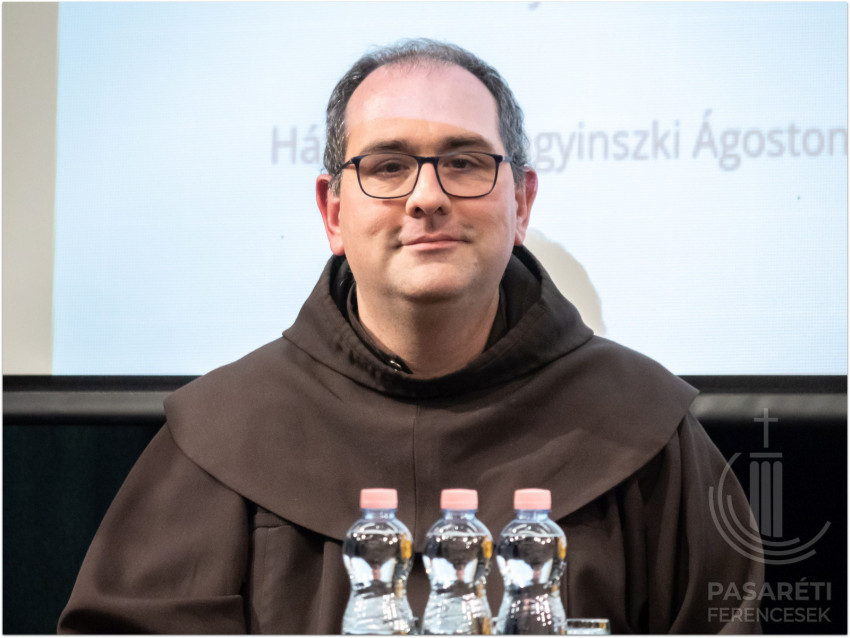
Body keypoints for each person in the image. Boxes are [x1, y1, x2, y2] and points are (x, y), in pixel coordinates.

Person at [58, 39, 763, 634]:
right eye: (388, 166)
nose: (427, 197)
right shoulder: (223, 433)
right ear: (333, 212)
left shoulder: (641, 424)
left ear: (521, 203)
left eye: (464, 162)